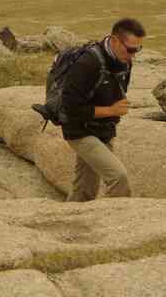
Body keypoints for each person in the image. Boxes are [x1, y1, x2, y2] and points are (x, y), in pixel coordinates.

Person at [60, 17, 146, 201]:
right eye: (130, 49)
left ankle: (71, 220)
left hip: (104, 130)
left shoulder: (125, 62)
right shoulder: (87, 64)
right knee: (118, 177)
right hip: (80, 130)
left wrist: (112, 114)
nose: (133, 55)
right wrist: (111, 111)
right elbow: (70, 109)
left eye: (138, 49)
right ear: (114, 40)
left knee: (84, 190)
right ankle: (116, 223)